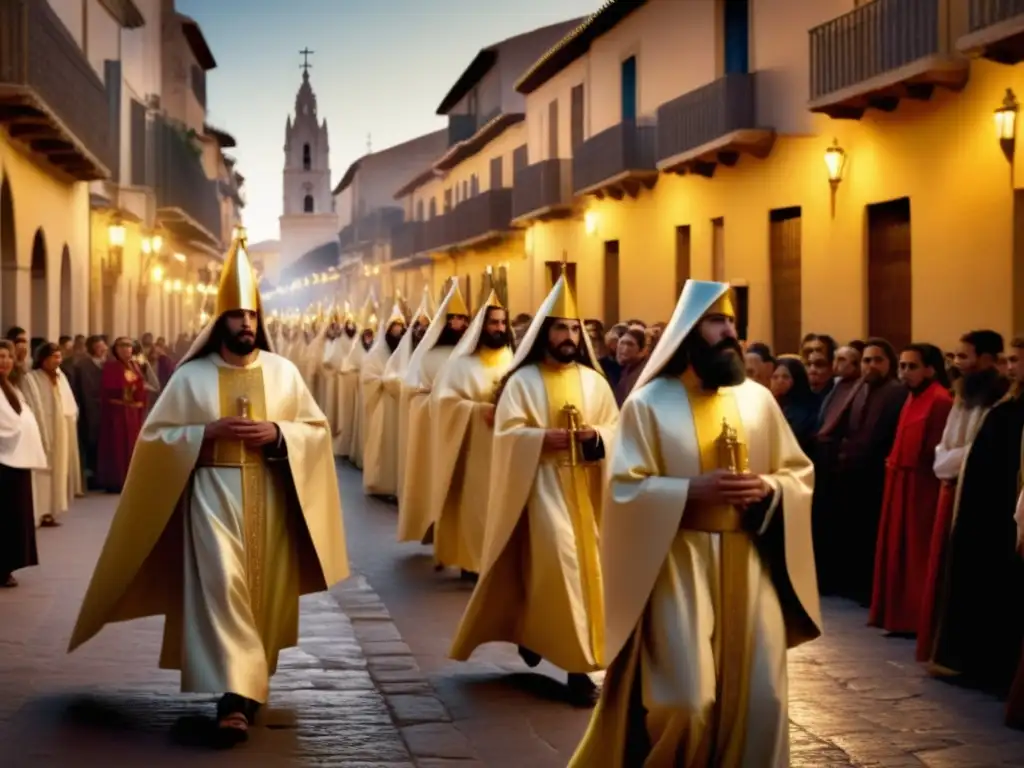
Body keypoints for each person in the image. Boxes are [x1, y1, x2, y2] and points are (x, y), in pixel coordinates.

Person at [67, 227, 350, 748]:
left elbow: (316, 430)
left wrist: (278, 432)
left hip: (271, 494)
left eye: (251, 316)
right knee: (222, 587)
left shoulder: (284, 373)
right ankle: (230, 698)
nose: (246, 324)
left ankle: (248, 683)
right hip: (211, 494)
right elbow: (155, 437)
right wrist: (204, 433)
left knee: (263, 596)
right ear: (220, 321)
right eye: (237, 316)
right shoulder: (192, 378)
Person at [569, 280, 820, 766]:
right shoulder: (648, 404)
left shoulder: (758, 401)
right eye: (716, 321)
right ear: (688, 332)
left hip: (748, 561)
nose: (730, 332)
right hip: (677, 562)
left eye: (731, 322)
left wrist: (769, 486)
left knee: (763, 701)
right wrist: (688, 491)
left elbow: (798, 471)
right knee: (685, 701)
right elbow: (622, 487)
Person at [449, 268, 619, 705]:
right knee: (561, 568)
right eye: (561, 327)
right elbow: (506, 436)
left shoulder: (595, 382)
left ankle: (538, 634)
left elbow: (616, 429)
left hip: (586, 489)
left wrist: (595, 437)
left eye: (574, 328)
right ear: (545, 333)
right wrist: (541, 439)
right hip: (538, 486)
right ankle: (578, 671)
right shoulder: (522, 382)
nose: (569, 335)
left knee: (586, 576)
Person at [430, 287, 515, 577]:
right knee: (477, 505)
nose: (499, 328)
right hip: (474, 447)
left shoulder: (514, 360)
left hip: (511, 449)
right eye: (494, 323)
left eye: (503, 323)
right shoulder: (461, 364)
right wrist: (478, 411)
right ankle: (472, 562)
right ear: (481, 326)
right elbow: (444, 402)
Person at [869, 343, 952, 635]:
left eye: (912, 367)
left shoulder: (940, 400)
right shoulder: (911, 398)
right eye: (902, 366)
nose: (904, 373)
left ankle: (915, 618)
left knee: (916, 554)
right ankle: (897, 614)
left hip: (922, 488)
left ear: (930, 369)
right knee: (897, 551)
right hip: (900, 483)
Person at [397, 282, 471, 545]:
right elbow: (409, 386)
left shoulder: (469, 356)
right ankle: (430, 522)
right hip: (430, 421)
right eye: (453, 318)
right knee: (432, 474)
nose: (459, 324)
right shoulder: (427, 354)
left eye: (463, 318)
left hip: (460, 421)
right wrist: (428, 396)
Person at [0, 340, 47, 588]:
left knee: (15, 516)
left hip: (16, 462)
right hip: (3, 464)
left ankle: (7, 565)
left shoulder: (12, 388)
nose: (5, 361)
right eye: (0, 357)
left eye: (7, 356)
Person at [19, 342, 77, 528]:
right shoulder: (32, 378)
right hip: (42, 427)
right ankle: (41, 511)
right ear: (43, 358)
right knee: (43, 470)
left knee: (58, 469)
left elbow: (69, 405)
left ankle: (52, 511)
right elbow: (33, 405)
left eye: (59, 356)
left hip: (60, 428)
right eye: (53, 356)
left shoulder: (61, 377)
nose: (56, 360)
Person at [361, 300, 409, 497]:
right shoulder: (376, 353)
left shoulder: (407, 353)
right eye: (394, 330)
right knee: (383, 441)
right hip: (384, 404)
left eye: (400, 330)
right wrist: (386, 382)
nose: (397, 334)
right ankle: (379, 481)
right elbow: (368, 378)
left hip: (401, 404)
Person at [96, 337, 148, 493]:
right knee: (118, 445)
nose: (126, 349)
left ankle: (132, 479)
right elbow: (110, 389)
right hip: (117, 413)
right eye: (122, 346)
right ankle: (116, 480)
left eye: (129, 346)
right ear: (116, 349)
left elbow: (140, 385)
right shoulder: (111, 367)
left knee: (133, 445)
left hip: (133, 413)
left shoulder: (135, 366)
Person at [770, 354, 819, 454]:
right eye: (775, 377)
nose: (780, 381)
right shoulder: (770, 404)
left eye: (785, 377)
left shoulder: (807, 408)